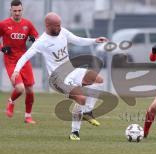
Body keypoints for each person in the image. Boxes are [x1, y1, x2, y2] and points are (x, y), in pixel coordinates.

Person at [10, 12, 108, 140]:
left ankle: (87, 112)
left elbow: (78, 40)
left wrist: (94, 40)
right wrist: (16, 70)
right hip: (58, 79)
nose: (59, 27)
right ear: (48, 25)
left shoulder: (63, 32)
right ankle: (75, 132)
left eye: (60, 24)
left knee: (99, 81)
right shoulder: (42, 42)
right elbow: (26, 56)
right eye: (56, 26)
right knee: (81, 99)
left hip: (70, 70)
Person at [0, 0, 38, 123]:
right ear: (10, 10)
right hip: (10, 60)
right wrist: (2, 48)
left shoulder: (28, 24)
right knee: (20, 88)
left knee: (30, 90)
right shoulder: (3, 24)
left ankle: (28, 116)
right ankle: (11, 102)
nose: (17, 13)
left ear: (22, 10)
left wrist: (33, 38)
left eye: (19, 10)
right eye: (14, 10)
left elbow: (37, 37)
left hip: (24, 59)